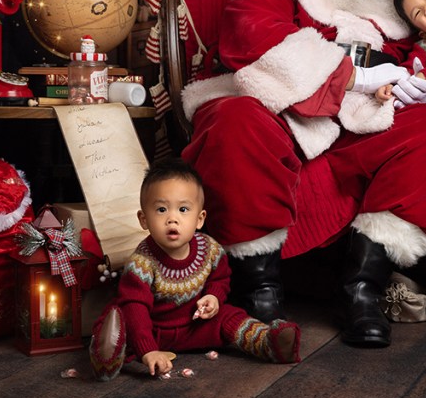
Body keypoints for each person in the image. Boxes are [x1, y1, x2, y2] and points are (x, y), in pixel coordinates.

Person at [180, 0, 426, 348]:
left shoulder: (390, 15)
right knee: (236, 122)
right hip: (268, 109)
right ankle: (258, 292)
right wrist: (355, 77)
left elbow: (410, 68)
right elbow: (250, 38)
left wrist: (415, 82)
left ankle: (363, 290)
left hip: (348, 129)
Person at [90, 159, 301, 381]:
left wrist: (213, 297)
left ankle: (267, 342)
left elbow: (220, 279)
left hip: (195, 325)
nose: (173, 218)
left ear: (199, 219)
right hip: (152, 329)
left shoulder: (210, 250)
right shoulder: (141, 263)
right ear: (144, 219)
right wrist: (148, 350)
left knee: (230, 316)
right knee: (121, 313)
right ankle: (106, 354)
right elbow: (137, 306)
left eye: (183, 209)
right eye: (161, 209)